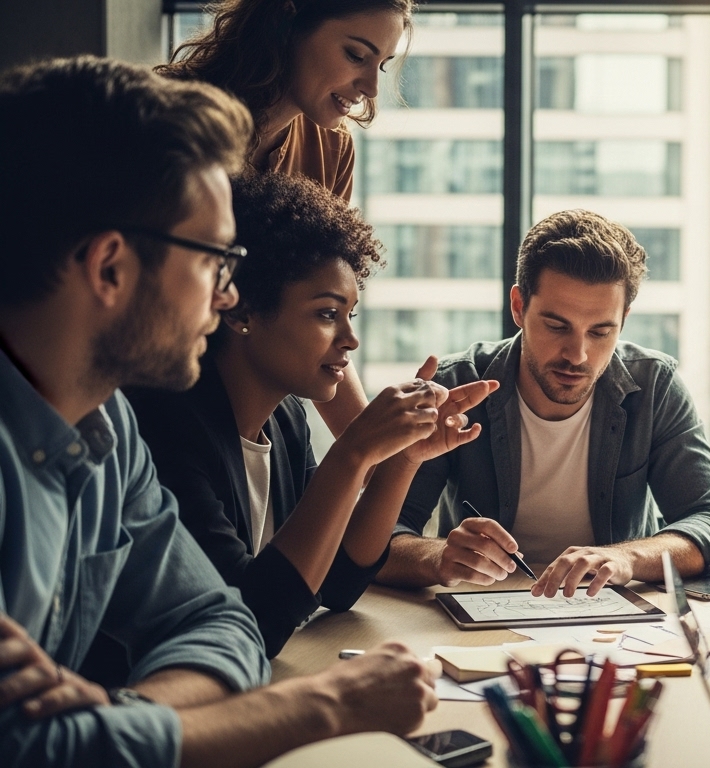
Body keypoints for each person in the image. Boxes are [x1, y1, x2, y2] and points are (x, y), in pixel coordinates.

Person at [0, 56, 438, 768]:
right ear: (110, 267)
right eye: (213, 261)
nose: (229, 295)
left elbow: (219, 617)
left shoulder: (109, 435)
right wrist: (326, 704)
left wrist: (116, 719)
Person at [124, 172, 497, 657]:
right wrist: (353, 450)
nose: (350, 339)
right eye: (327, 314)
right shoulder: (170, 425)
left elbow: (336, 582)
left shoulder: (286, 421)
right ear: (242, 313)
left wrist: (401, 461)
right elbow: (254, 622)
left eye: (351, 315)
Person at [378, 209, 710, 597]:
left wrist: (626, 559)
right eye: (557, 326)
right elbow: (378, 540)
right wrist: (437, 558)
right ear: (519, 307)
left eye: (601, 331)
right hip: (479, 612)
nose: (579, 355)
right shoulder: (456, 386)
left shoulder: (654, 386)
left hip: (612, 625)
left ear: (624, 319)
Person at [159, 0, 415, 440]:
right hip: (159, 392)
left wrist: (378, 448)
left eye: (382, 65)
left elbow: (320, 312)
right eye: (356, 55)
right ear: (286, 24)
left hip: (255, 409)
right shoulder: (170, 122)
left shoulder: (331, 149)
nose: (371, 87)